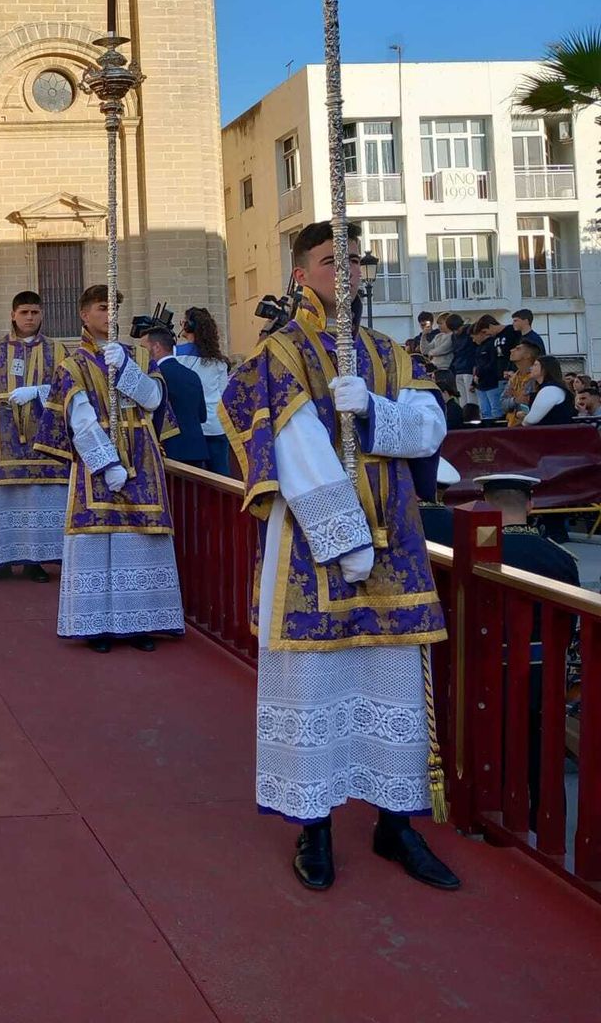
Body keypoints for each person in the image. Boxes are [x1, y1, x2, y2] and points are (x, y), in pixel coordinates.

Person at [220, 221, 460, 895]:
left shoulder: (390, 351)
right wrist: (346, 539)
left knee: (393, 684)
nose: (347, 271)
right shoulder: (282, 350)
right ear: (301, 274)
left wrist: (378, 412)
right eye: (331, 261)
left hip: (398, 541)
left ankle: (396, 823)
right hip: (316, 547)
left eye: (356, 259)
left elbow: (432, 429)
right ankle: (314, 826)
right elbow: (294, 447)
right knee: (312, 688)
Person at [34, 285, 185, 653]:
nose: (109, 315)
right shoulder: (73, 365)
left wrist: (129, 370)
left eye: (114, 308)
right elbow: (80, 420)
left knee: (140, 540)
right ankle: (97, 626)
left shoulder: (140, 356)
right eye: (102, 308)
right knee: (98, 540)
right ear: (84, 315)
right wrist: (106, 464)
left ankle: (140, 623)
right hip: (96, 460)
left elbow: (154, 400)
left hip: (142, 452)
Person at [0, 291, 71, 585]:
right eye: (24, 312)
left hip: (41, 441)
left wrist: (38, 392)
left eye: (34, 312)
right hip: (0, 436)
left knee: (36, 501)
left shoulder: (57, 351)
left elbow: (68, 390)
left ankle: (35, 561)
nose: (29, 318)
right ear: (13, 314)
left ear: (41, 314)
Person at [174, 306, 232, 475]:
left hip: (191, 426)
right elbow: (223, 394)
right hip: (216, 426)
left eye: (183, 322)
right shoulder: (219, 361)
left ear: (189, 326)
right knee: (222, 476)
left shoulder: (177, 354)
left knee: (194, 479)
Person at [143, 325, 208, 468]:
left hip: (169, 451)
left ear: (156, 347)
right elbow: (202, 415)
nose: (141, 353)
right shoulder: (192, 375)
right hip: (197, 449)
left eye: (143, 348)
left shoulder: (155, 377)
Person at [520, 356, 577, 426]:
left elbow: (532, 420)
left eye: (535, 365)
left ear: (545, 369)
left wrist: (524, 419)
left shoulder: (550, 389)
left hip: (553, 434)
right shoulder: (550, 388)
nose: (531, 368)